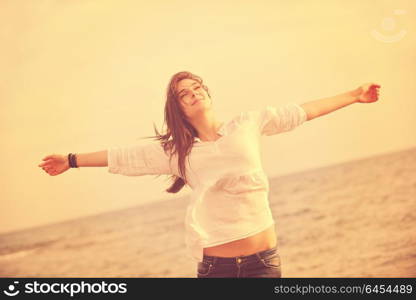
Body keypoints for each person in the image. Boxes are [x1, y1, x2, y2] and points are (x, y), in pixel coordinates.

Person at [38, 71, 380, 278]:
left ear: (209, 93)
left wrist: (353, 95)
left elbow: (302, 112)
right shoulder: (175, 152)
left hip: (264, 263)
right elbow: (122, 157)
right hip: (218, 268)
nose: (194, 93)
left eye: (197, 87)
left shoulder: (248, 123)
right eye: (184, 94)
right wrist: (71, 159)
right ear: (179, 110)